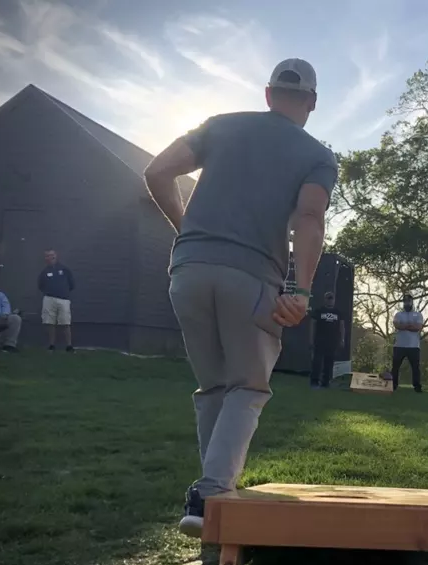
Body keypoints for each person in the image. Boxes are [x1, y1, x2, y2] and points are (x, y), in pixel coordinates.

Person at [143, 58, 337, 538]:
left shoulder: (221, 126)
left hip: (187, 271)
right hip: (250, 277)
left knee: (214, 388)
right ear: (311, 103)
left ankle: (212, 501)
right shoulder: (317, 155)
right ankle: (210, 495)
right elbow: (309, 220)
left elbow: (158, 171)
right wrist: (300, 289)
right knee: (248, 388)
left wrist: (187, 230)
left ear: (268, 94)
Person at [38, 249, 75, 352]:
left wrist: (63, 292)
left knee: (65, 322)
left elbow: (72, 284)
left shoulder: (64, 269)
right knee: (50, 322)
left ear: (56, 256)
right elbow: (40, 285)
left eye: (52, 255)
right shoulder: (44, 272)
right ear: (45, 258)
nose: (50, 257)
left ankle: (69, 346)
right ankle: (51, 345)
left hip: (63, 300)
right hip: (49, 299)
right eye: (48, 256)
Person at [309, 291, 343, 388]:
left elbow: (342, 326)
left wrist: (342, 340)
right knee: (317, 362)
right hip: (319, 341)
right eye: (328, 298)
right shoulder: (319, 311)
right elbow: (312, 325)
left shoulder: (338, 312)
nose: (330, 300)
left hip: (332, 341)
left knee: (329, 362)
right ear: (325, 299)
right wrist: (311, 339)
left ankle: (326, 382)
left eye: (331, 298)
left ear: (334, 300)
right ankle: (314, 382)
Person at [392, 293, 424, 392]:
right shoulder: (398, 314)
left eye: (408, 301)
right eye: (405, 301)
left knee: (415, 368)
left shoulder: (418, 315)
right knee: (395, 367)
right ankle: (393, 385)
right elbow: (397, 326)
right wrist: (410, 325)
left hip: (413, 346)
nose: (407, 303)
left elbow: (417, 328)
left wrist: (404, 326)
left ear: (412, 302)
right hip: (399, 346)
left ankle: (417, 387)